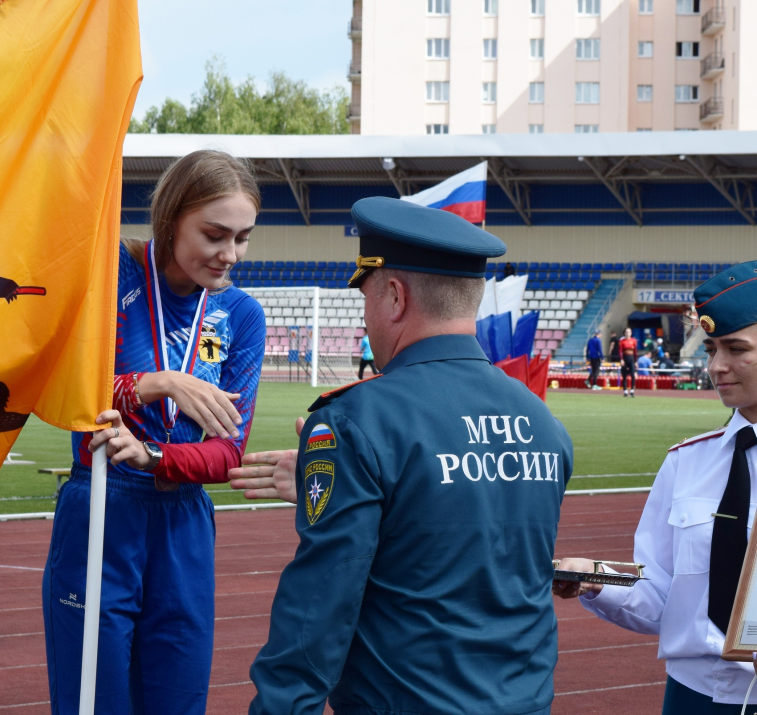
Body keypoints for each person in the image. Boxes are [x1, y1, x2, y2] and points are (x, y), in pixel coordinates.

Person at [228, 197, 573, 715]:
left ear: (393, 295)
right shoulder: (543, 423)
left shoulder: (356, 421)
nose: (366, 318)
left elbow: (321, 600)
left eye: (366, 297)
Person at [42, 151, 266, 715]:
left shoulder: (240, 315)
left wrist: (152, 455)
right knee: (93, 703)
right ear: (171, 219)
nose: (229, 255)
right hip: (101, 507)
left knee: (177, 703)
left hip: (184, 524)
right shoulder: (109, 271)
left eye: (242, 237)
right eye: (214, 234)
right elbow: (65, 385)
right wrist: (157, 384)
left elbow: (226, 453)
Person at [554, 261, 757, 714]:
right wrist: (596, 577)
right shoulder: (686, 463)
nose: (717, 366)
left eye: (735, 348)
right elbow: (662, 590)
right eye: (710, 350)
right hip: (693, 696)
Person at [619, 327, 639, 397]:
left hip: (631, 359)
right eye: (626, 332)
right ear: (624, 333)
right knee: (624, 376)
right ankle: (625, 391)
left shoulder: (634, 341)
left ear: (631, 333)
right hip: (625, 358)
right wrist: (621, 359)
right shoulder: (622, 341)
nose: (628, 333)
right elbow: (620, 351)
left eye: (629, 332)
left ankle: (632, 390)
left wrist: (636, 361)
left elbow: (635, 352)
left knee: (633, 375)